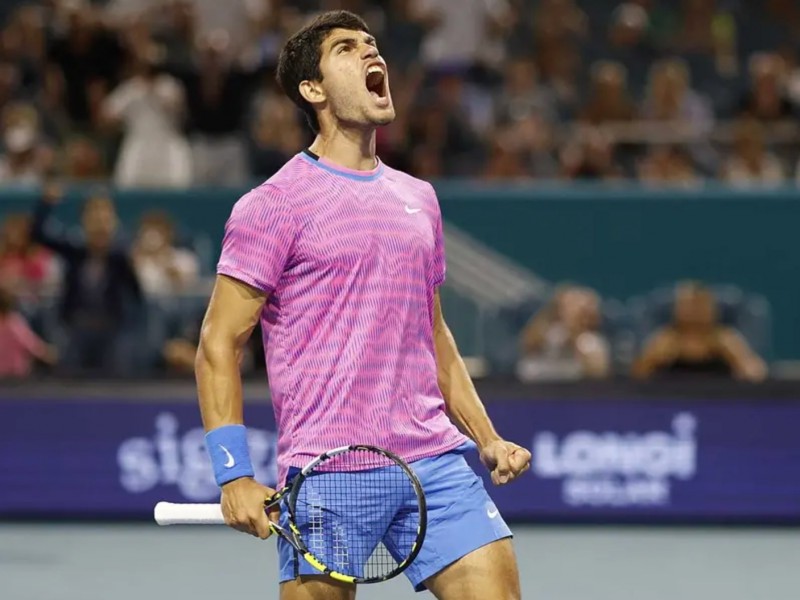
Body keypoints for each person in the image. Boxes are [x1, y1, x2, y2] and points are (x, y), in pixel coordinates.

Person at [195, 11, 529, 600]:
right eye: (347, 49)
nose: (371, 53)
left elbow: (434, 334)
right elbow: (218, 344)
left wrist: (486, 437)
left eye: (372, 44)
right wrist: (234, 474)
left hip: (434, 461)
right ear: (312, 89)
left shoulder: (419, 197)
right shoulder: (272, 205)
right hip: (327, 473)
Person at [31, 186, 143, 375]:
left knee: (117, 375)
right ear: (84, 223)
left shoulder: (121, 258)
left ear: (113, 223)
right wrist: (46, 204)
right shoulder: (74, 251)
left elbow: (136, 297)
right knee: (68, 376)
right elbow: (38, 235)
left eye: (105, 219)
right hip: (76, 329)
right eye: (94, 219)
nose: (100, 226)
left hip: (112, 331)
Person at [631, 281, 767, 382]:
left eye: (700, 305)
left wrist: (737, 358)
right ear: (677, 310)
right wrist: (652, 360)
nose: (694, 313)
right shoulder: (663, 339)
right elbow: (635, 378)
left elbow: (756, 375)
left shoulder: (727, 339)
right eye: (688, 306)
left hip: (720, 401)